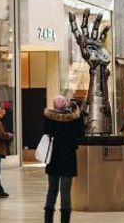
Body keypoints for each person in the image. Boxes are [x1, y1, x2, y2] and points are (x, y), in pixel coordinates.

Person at [43, 95, 84, 223]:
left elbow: (46, 132)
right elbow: (80, 133)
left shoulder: (49, 118)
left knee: (52, 190)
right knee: (65, 192)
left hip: (53, 159)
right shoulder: (73, 119)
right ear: (66, 105)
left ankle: (48, 220)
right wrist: (77, 112)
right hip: (68, 159)